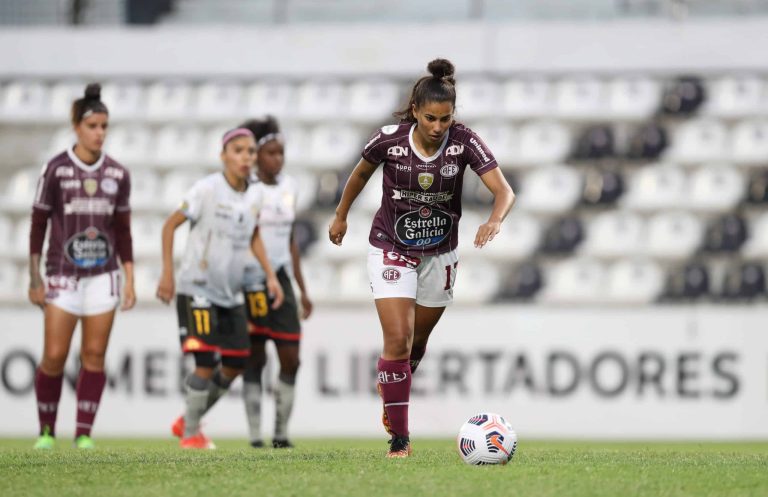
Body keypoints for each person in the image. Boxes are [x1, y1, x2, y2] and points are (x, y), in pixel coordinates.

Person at [328, 59, 516, 458]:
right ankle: (400, 440)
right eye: (430, 118)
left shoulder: (464, 142)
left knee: (414, 348)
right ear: (414, 110)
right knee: (397, 340)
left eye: (445, 119)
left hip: (440, 255)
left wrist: (494, 220)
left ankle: (392, 382)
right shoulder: (388, 140)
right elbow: (360, 173)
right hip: (391, 247)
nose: (437, 127)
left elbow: (505, 191)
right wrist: (341, 214)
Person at [156, 127, 284, 449]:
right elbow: (170, 225)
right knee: (204, 361)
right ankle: (190, 437)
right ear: (223, 155)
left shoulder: (256, 193)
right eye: (238, 150)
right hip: (197, 287)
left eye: (250, 152)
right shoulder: (206, 189)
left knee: (237, 360)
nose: (246, 157)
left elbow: (253, 234)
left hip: (231, 293)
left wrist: (270, 275)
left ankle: (188, 420)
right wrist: (167, 274)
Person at [29, 83, 136, 450]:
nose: (99, 133)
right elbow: (38, 223)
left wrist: (130, 279)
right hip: (61, 273)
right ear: (76, 126)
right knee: (55, 355)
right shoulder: (56, 170)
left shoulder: (118, 174)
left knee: (94, 355)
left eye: (105, 126)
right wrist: (34, 278)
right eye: (93, 126)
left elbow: (123, 230)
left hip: (103, 275)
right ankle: (46, 430)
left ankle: (83, 434)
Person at [239, 116, 313, 449]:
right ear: (257, 155)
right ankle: (256, 434)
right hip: (251, 278)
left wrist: (303, 289)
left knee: (291, 358)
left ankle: (281, 432)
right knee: (254, 358)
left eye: (281, 152)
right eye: (271, 152)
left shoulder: (290, 187)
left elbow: (291, 240)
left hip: (281, 279)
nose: (278, 159)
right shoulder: (245, 189)